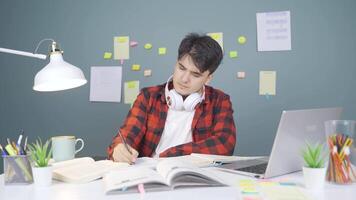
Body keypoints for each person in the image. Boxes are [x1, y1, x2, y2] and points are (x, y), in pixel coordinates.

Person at [107, 33, 236, 163]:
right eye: (181, 68)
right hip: (150, 173)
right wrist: (120, 148)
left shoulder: (220, 101)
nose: (184, 79)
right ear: (176, 64)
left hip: (194, 174)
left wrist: (174, 154)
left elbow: (225, 144)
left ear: (208, 78)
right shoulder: (148, 97)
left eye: (195, 75)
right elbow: (128, 134)